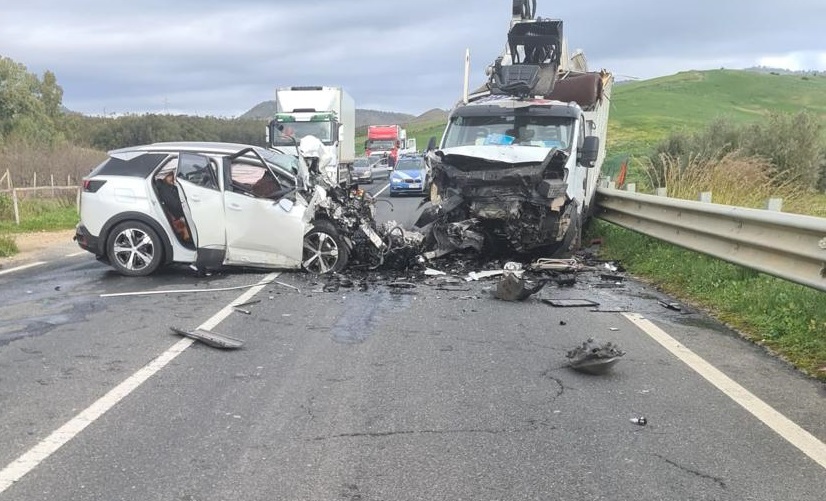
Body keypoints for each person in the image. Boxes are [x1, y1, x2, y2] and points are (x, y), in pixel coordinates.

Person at [156, 172, 190, 241]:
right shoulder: (163, 187)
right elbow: (173, 204)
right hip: (177, 212)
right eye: (169, 176)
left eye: (172, 176)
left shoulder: (172, 187)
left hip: (178, 211)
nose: (172, 178)